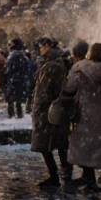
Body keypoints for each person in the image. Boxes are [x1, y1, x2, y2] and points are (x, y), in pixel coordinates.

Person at [63, 43, 101, 191]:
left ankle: (89, 179)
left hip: (86, 112)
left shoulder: (81, 69)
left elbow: (69, 88)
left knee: (85, 146)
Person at [30, 37, 72, 189]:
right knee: (58, 143)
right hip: (50, 110)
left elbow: (48, 90)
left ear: (48, 46)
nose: (39, 49)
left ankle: (58, 176)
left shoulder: (53, 65)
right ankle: (64, 174)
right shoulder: (51, 62)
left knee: (49, 144)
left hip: (48, 110)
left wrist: (42, 105)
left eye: (41, 46)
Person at [3, 39, 31, 119]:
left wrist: (6, 80)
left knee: (11, 101)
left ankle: (12, 116)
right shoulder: (23, 56)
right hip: (20, 81)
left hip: (13, 82)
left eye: (10, 44)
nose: (8, 46)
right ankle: (19, 115)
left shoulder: (13, 56)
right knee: (18, 101)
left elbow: (9, 71)